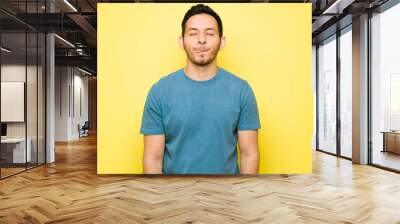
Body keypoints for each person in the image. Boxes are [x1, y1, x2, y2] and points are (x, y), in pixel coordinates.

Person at [140, 4, 260, 174]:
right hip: (175, 195)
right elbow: (153, 158)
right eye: (193, 33)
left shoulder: (242, 90)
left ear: (222, 41)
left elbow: (249, 154)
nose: (201, 40)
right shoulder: (159, 92)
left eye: (210, 33)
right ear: (181, 41)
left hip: (228, 197)